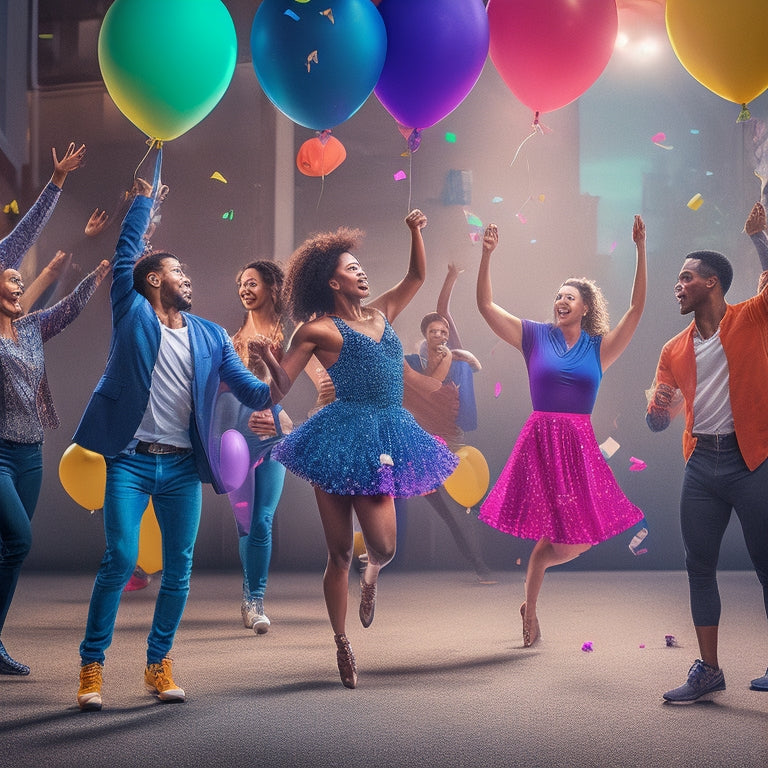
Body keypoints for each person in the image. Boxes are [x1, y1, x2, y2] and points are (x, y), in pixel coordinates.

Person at [72, 178, 273, 711]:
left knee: (179, 569)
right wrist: (140, 203)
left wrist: (281, 374)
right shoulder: (133, 312)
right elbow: (122, 260)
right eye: (179, 272)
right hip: (132, 463)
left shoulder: (209, 334)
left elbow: (253, 391)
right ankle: (92, 666)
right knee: (120, 557)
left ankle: (158, 665)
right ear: (156, 279)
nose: (189, 279)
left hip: (182, 467)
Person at [263, 211, 459, 688]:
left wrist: (414, 231)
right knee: (338, 553)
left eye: (360, 267)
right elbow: (279, 388)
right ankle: (342, 642)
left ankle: (372, 578)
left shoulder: (381, 312)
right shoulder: (316, 330)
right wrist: (269, 362)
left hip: (385, 436)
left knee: (384, 547)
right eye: (353, 269)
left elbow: (416, 275)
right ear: (333, 281)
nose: (362, 273)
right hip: (335, 437)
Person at [476, 218, 646, 647]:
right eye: (557, 296)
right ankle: (530, 612)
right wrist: (487, 255)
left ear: (586, 306)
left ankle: (530, 592)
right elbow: (486, 306)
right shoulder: (534, 336)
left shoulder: (599, 347)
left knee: (577, 540)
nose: (560, 301)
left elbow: (637, 311)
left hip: (578, 446)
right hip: (540, 441)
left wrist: (641, 250)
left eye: (569, 296)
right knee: (546, 535)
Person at [646, 193, 768, 703]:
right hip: (701, 465)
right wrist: (655, 412)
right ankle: (709, 670)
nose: (678, 285)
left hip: (752, 461)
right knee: (699, 565)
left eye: (686, 277)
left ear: (711, 282)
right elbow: (657, 420)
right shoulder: (672, 349)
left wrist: (760, 239)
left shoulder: (753, 317)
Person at [0, 142, 90, 676]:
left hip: (29, 451)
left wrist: (56, 181)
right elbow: (23, 240)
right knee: (21, 538)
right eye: (9, 276)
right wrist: (56, 184)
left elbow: (24, 238)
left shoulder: (29, 327)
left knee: (11, 548)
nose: (14, 278)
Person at [401, 263, 494, 582]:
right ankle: (369, 564)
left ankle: (479, 564)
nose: (440, 334)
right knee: (437, 509)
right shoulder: (413, 363)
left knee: (460, 511)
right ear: (425, 335)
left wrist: (451, 277)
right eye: (433, 331)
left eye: (444, 331)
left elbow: (444, 312)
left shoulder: (458, 358)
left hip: (451, 440)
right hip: (420, 445)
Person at [221, 260, 293, 634]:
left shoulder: (289, 334)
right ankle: (249, 596)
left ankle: (254, 601)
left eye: (252, 282)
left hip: (273, 437)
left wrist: (285, 421)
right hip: (235, 438)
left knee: (263, 518)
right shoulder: (230, 340)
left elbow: (321, 385)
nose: (244, 289)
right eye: (240, 284)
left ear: (271, 286)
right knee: (245, 522)